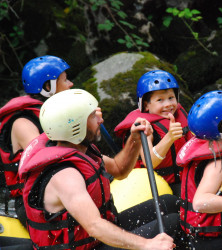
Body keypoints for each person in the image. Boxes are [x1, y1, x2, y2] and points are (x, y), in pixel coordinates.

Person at [18, 89, 176, 250]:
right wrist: (148, 245)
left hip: (95, 235)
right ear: (76, 126)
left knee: (171, 203)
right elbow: (94, 226)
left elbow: (119, 169)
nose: (101, 119)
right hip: (87, 243)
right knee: (173, 223)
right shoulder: (65, 176)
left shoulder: (80, 149)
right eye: (93, 116)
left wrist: (134, 140)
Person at [0, 55, 73, 227]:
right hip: (32, 201)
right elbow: (46, 159)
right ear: (48, 87)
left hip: (61, 189)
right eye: (65, 80)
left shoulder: (53, 114)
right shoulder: (22, 122)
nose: (71, 84)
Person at [176, 90, 222, 250]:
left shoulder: (210, 146)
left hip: (208, 235)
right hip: (216, 241)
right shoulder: (219, 163)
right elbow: (200, 202)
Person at [114, 70, 193, 198]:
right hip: (155, 187)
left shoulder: (179, 113)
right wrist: (169, 137)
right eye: (160, 100)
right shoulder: (142, 125)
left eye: (171, 98)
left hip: (185, 177)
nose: (168, 104)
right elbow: (150, 163)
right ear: (146, 105)